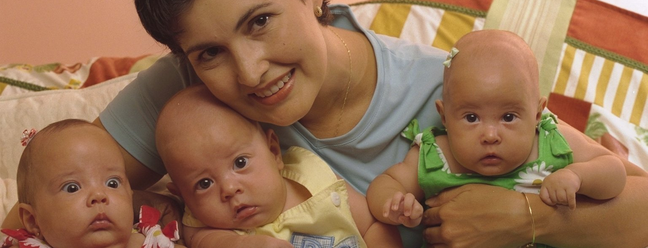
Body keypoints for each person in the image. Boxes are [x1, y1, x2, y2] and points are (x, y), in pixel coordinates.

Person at [5, 0, 648, 247]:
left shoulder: (455, 91)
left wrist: (527, 218)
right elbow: (35, 210)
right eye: (209, 53)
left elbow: (635, 196)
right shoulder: (184, 90)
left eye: (261, 20)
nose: (251, 72)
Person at [366, 30, 628, 246]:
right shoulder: (437, 154)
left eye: (508, 117)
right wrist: (394, 204)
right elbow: (387, 182)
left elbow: (614, 170)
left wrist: (577, 177)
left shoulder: (550, 142)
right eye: (471, 118)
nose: (490, 136)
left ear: (537, 114)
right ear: (444, 117)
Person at [155, 84, 402, 248]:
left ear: (274, 151)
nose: (229, 189)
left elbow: (371, 226)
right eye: (204, 184)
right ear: (183, 196)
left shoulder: (313, 175)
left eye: (240, 163)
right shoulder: (208, 228)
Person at [2, 119, 184, 248]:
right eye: (72, 187)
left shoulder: (150, 242)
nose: (99, 196)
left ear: (130, 197)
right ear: (33, 221)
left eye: (112, 183)